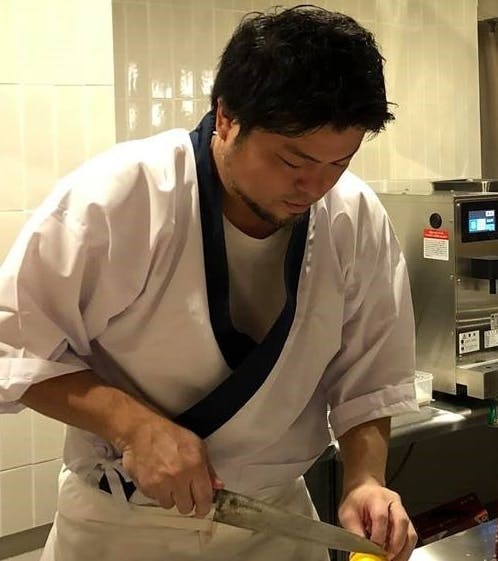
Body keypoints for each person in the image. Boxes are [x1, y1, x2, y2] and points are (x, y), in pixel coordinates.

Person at [0, 5, 419, 561]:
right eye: (292, 161)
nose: (314, 187)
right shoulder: (122, 196)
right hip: (122, 525)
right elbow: (15, 348)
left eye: (338, 163)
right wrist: (131, 426)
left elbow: (368, 378)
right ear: (225, 116)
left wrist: (365, 480)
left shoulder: (355, 217)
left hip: (276, 526)